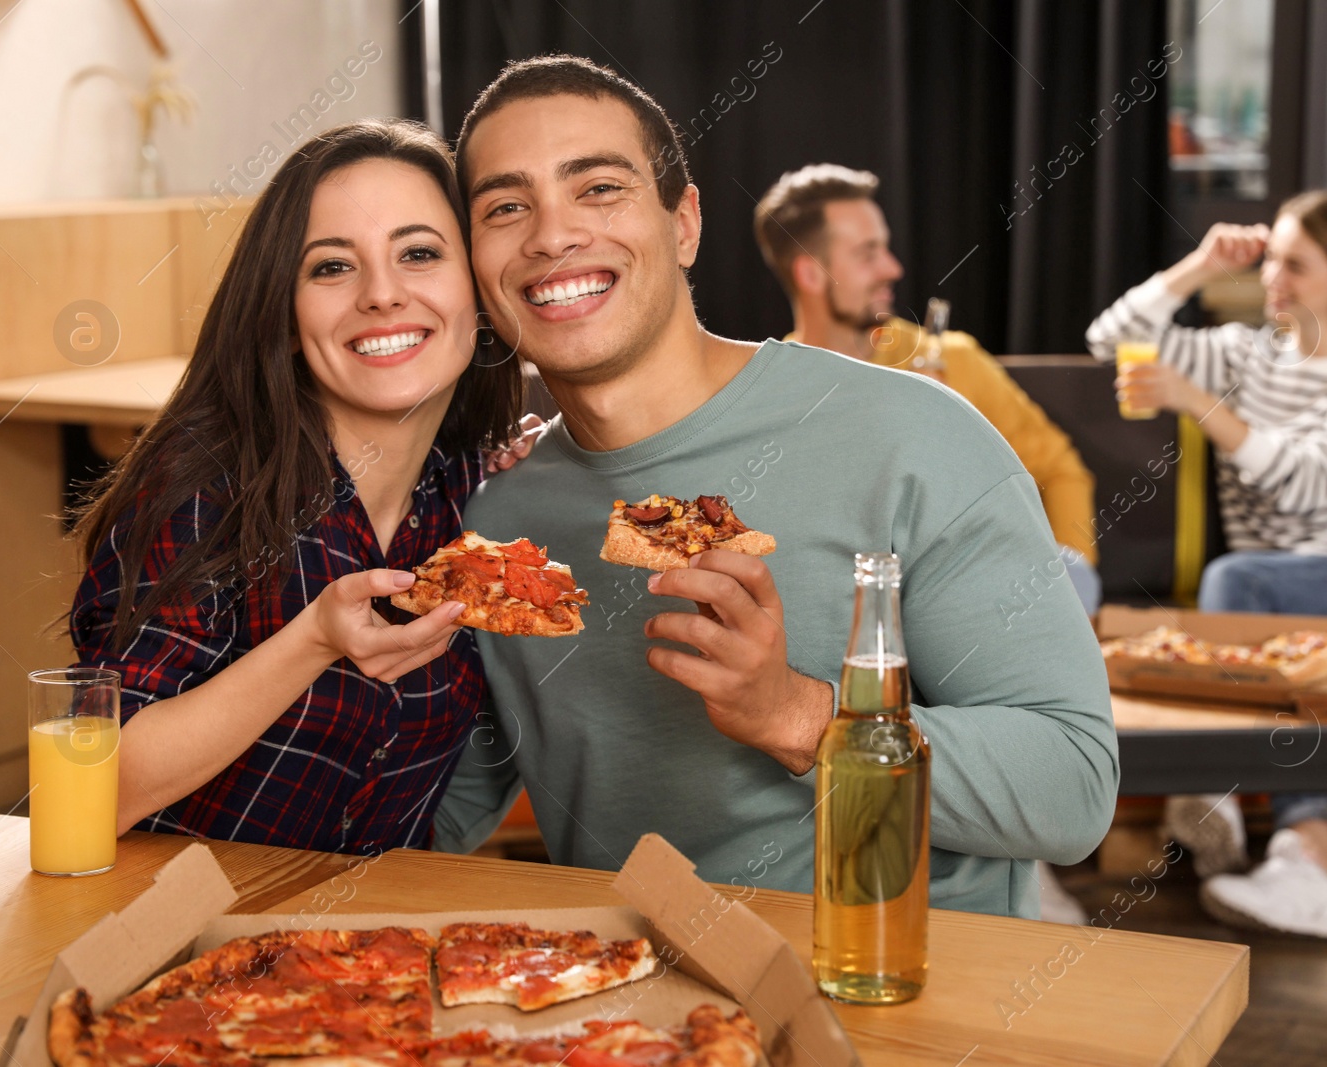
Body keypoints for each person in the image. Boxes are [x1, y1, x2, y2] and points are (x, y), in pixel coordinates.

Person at [432, 55, 1118, 919]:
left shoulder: (914, 437)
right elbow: (438, 816)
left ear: (684, 224)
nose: (551, 235)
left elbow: (1073, 787)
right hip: (643, 1026)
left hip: (910, 1011)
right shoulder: (499, 515)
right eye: (505, 207)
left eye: (599, 188)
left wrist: (800, 717)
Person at [70, 119, 530, 854]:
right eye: (331, 268)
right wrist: (313, 639)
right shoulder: (208, 485)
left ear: (478, 293)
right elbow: (93, 787)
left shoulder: (481, 496)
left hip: (358, 952)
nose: (383, 294)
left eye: (418, 253)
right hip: (160, 943)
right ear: (283, 317)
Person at [1087, 190, 1327, 939]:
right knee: (1252, 595)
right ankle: (1302, 855)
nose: (1273, 277)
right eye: (1271, 257)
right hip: (1276, 597)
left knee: (1236, 579)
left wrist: (1193, 399)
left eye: (1297, 262)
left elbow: (1302, 477)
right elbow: (1107, 338)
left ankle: (1232, 798)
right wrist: (1197, 266)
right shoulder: (1243, 353)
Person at [754, 164, 1100, 614]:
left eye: (887, 248)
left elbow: (1060, 472)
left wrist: (1066, 594)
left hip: (975, 608)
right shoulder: (772, 393)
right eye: (868, 253)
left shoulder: (952, 360)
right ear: (812, 273)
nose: (893, 267)